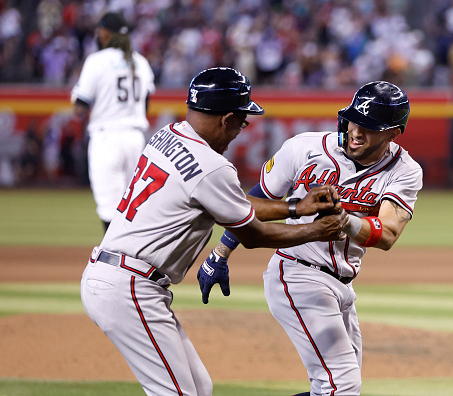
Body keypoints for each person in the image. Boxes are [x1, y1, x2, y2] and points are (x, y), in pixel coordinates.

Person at [80, 67, 348, 396]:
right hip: (129, 286)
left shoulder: (167, 133)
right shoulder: (212, 166)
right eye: (242, 121)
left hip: (116, 274)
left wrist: (296, 208)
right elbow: (253, 235)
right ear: (226, 119)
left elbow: (229, 202)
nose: (241, 129)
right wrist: (316, 230)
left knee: (200, 388)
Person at [199, 81, 423, 395]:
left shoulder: (404, 170)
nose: (357, 131)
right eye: (354, 120)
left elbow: (387, 234)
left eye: (369, 127)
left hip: (343, 285)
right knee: (341, 385)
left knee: (336, 389)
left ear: (393, 133)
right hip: (296, 272)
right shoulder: (304, 147)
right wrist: (220, 252)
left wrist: (344, 221)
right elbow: (255, 201)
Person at [71, 12, 155, 233]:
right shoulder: (141, 61)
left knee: (109, 209)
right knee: (134, 207)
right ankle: (137, 262)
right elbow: (145, 105)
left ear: (106, 33)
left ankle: (112, 264)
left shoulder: (96, 60)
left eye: (100, 30)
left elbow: (80, 107)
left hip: (107, 138)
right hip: (136, 140)